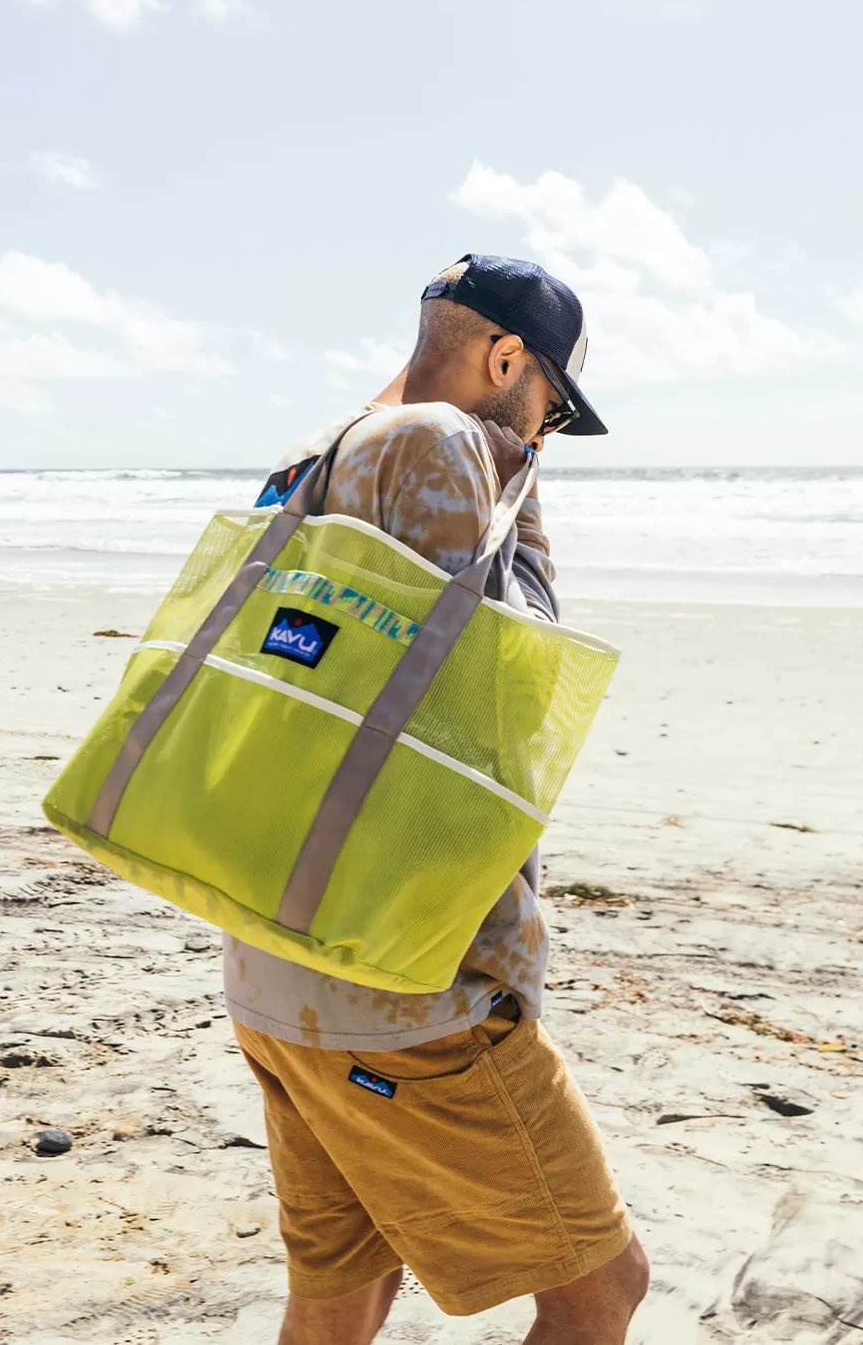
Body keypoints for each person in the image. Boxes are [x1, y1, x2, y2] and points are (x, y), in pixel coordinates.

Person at [227, 255, 649, 1343]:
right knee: (602, 1287)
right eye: (548, 405)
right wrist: (515, 479)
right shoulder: (446, 447)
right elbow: (499, 691)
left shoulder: (314, 457)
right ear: (504, 358)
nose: (543, 435)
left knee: (343, 1288)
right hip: (407, 980)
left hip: (277, 959)